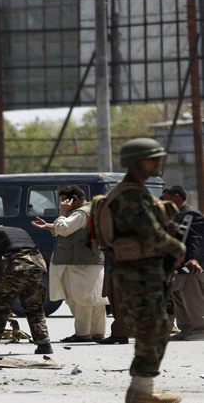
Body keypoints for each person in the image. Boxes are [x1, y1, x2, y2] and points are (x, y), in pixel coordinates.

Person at [101, 138, 186, 403]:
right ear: (137, 162)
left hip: (143, 271)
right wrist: (179, 248)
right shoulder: (130, 196)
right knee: (154, 326)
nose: (159, 163)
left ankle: (142, 388)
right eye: (153, 159)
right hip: (137, 273)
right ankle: (141, 390)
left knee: (154, 326)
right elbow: (154, 236)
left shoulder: (135, 191)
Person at [32, 185, 108, 342]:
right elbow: (74, 229)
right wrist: (50, 227)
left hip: (78, 262)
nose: (62, 204)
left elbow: (65, 228)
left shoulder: (80, 213)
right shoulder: (92, 210)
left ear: (74, 199)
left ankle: (83, 334)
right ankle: (97, 332)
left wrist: (63, 212)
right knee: (94, 300)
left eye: (64, 201)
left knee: (79, 299)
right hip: (92, 260)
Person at [0, 218, 53, 356]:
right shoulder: (18, 230)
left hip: (15, 268)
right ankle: (44, 344)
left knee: (0, 308)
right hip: (38, 267)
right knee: (34, 307)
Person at [161, 185, 204, 342]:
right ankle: (186, 329)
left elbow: (196, 239)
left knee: (192, 296)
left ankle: (200, 329)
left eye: (165, 197)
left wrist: (194, 259)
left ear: (176, 198)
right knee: (179, 295)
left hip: (190, 265)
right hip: (178, 265)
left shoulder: (190, 213)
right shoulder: (177, 215)